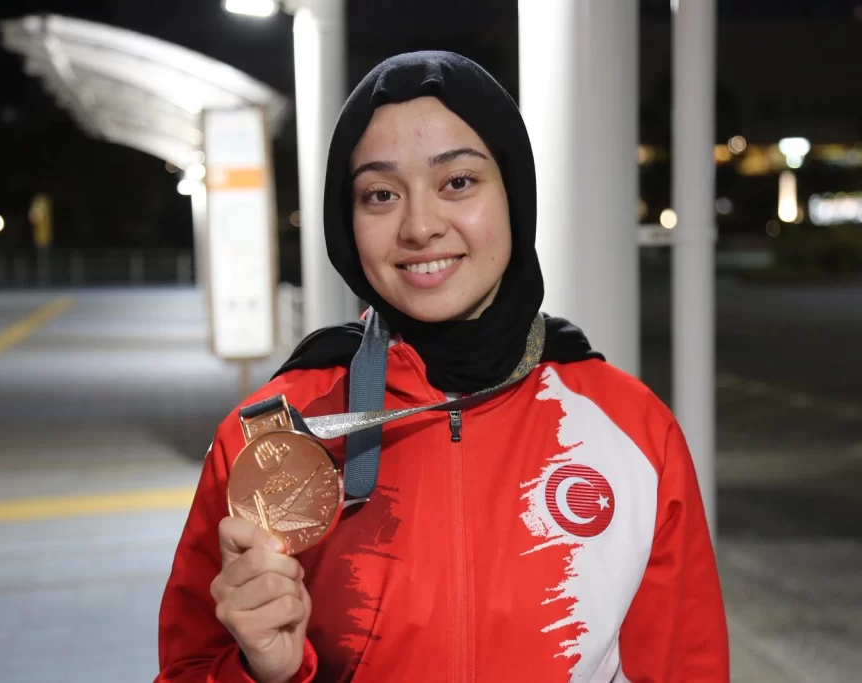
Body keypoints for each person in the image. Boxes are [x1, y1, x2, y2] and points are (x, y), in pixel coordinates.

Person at [156, 51, 729, 683]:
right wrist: (262, 672)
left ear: (514, 194)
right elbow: (187, 667)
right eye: (380, 194)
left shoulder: (631, 429)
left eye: (457, 182)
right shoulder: (271, 438)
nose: (420, 226)